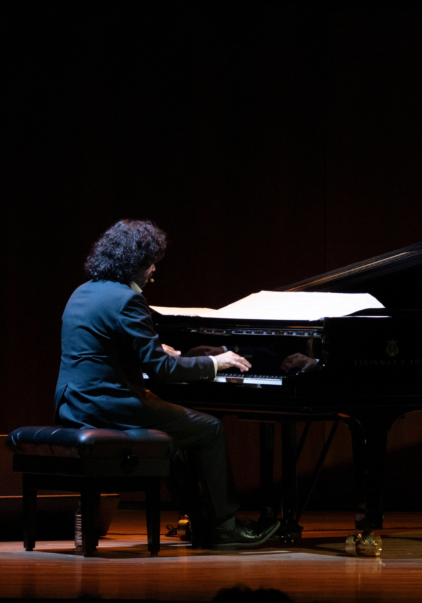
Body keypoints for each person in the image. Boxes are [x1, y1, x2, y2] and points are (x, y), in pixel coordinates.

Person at [54, 220, 280, 549]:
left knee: (169, 443)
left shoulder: (83, 292)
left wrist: (156, 350)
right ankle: (226, 527)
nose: (154, 269)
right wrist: (215, 363)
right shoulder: (128, 300)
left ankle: (203, 525)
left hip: (73, 405)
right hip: (109, 406)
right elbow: (161, 370)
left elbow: (104, 349)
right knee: (210, 429)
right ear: (133, 263)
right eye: (150, 262)